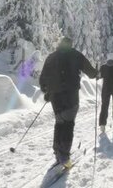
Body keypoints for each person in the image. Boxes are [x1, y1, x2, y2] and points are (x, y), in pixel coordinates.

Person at [39, 37, 98, 166]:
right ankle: (64, 157)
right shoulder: (76, 55)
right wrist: (97, 72)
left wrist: (46, 91)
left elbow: (43, 78)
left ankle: (58, 152)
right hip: (71, 95)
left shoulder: (51, 57)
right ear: (70, 45)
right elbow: (91, 72)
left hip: (55, 96)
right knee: (68, 124)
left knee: (59, 122)